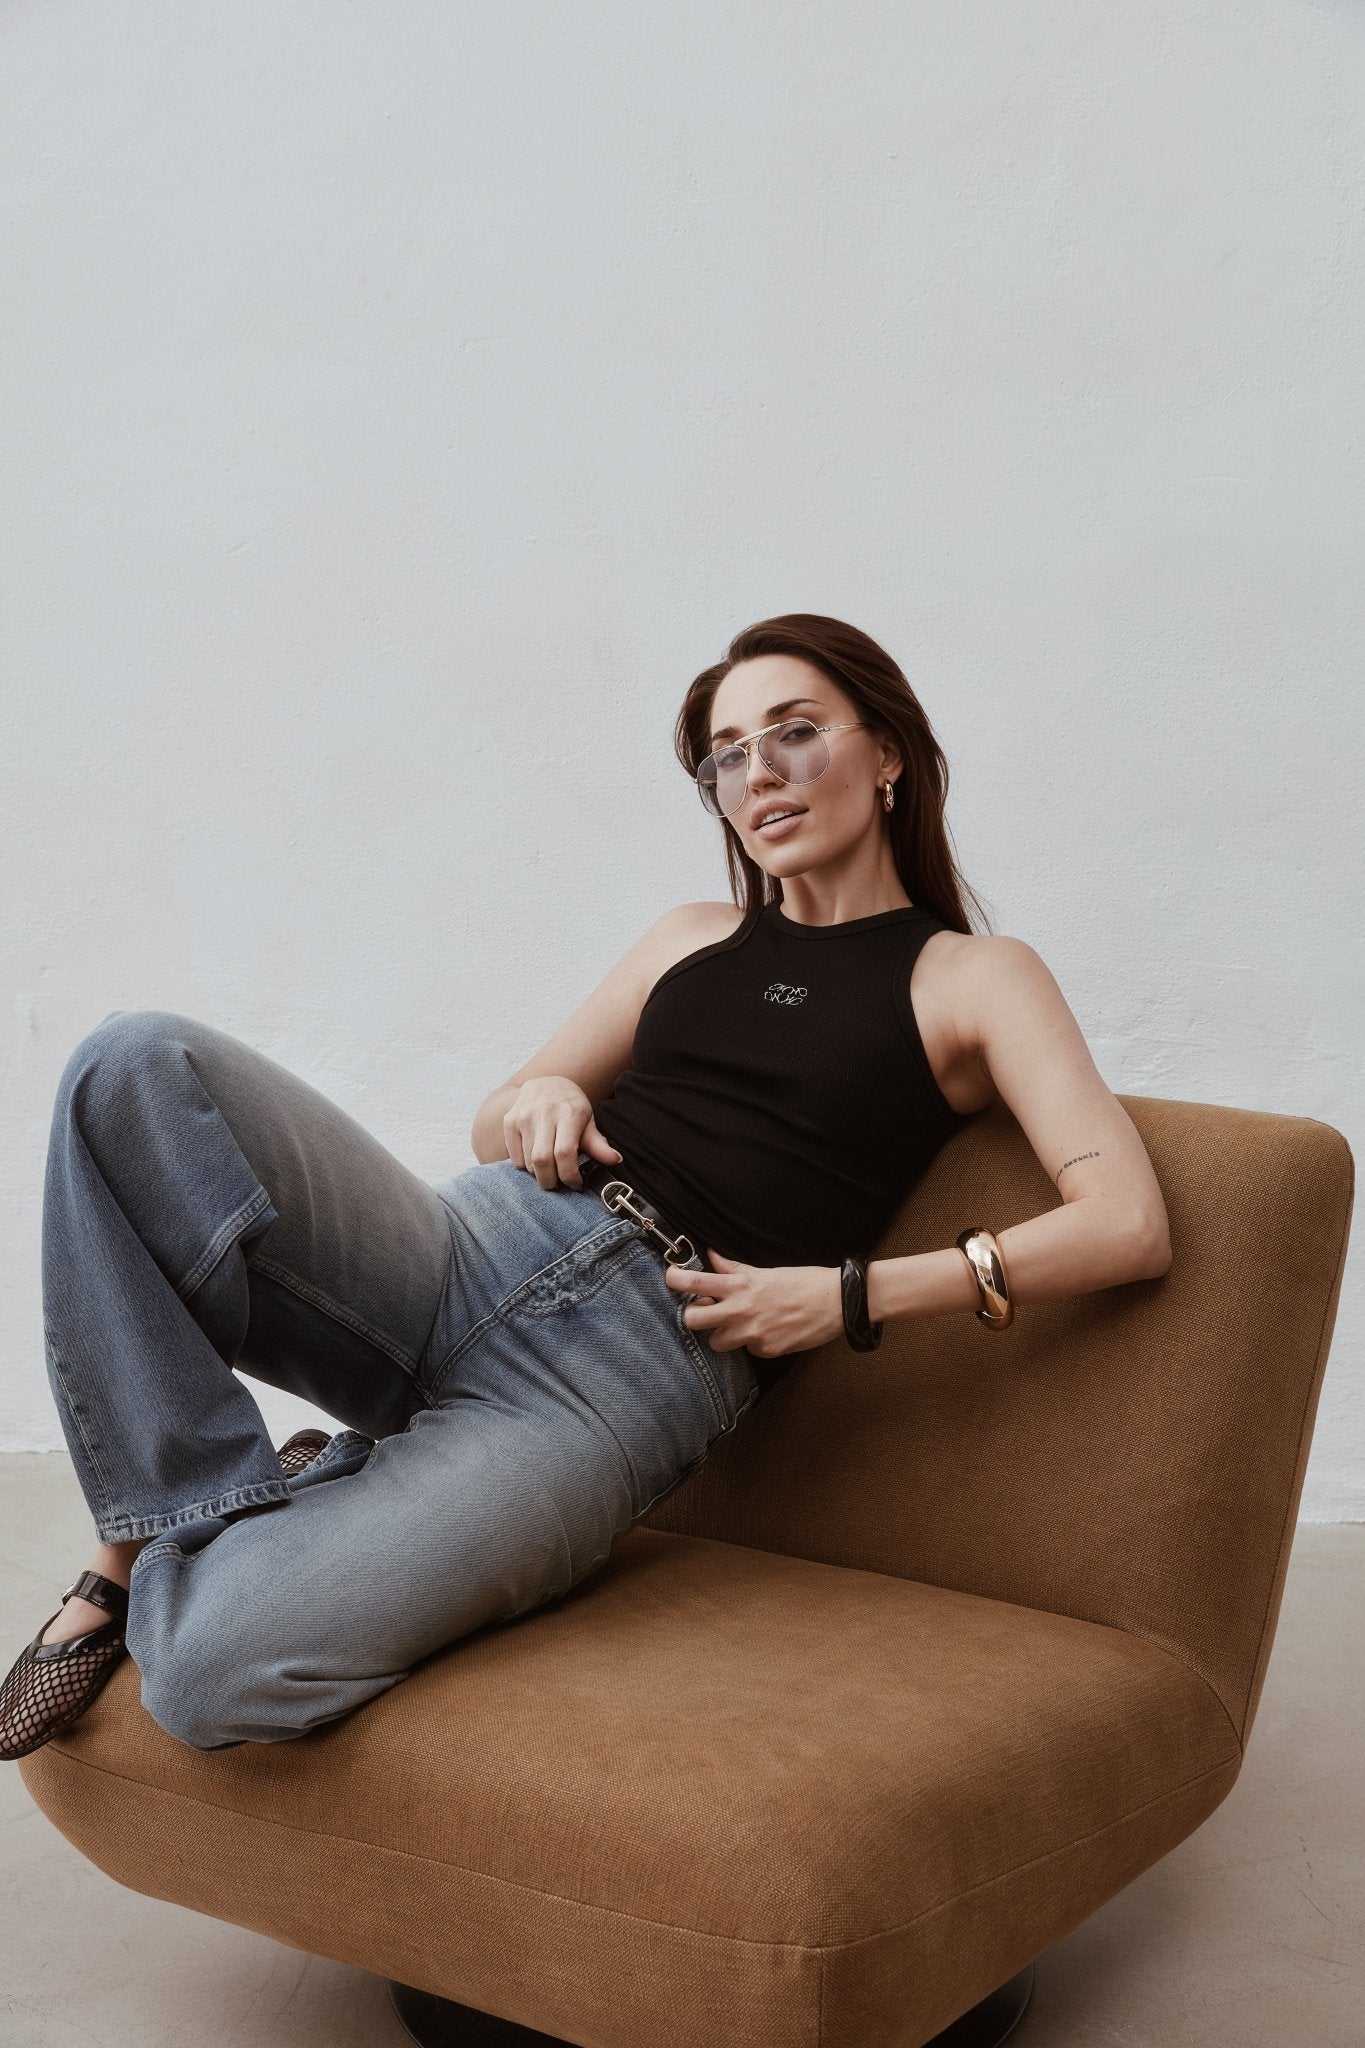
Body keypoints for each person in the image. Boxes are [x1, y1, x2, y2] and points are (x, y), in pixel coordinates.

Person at [0, 612, 1172, 1760]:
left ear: (889, 755)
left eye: (795, 731)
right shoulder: (689, 936)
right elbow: (498, 1115)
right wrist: (544, 1096)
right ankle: (156, 1525)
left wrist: (850, 1294)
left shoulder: (974, 977)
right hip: (466, 1245)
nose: (759, 772)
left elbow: (1126, 1221)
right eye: (727, 754)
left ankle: (312, 1493)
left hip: (615, 1385)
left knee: (208, 1672)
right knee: (133, 1063)